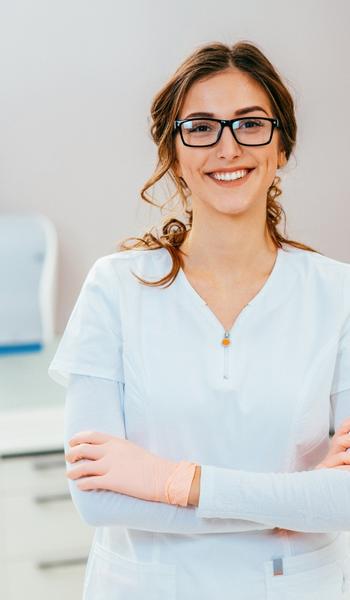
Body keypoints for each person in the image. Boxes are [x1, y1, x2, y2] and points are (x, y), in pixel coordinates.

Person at [48, 41, 350, 599]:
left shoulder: (338, 294)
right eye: (201, 127)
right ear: (174, 151)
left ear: (281, 146)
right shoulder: (115, 287)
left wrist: (172, 482)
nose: (228, 147)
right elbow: (96, 497)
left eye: (251, 124)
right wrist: (298, 502)